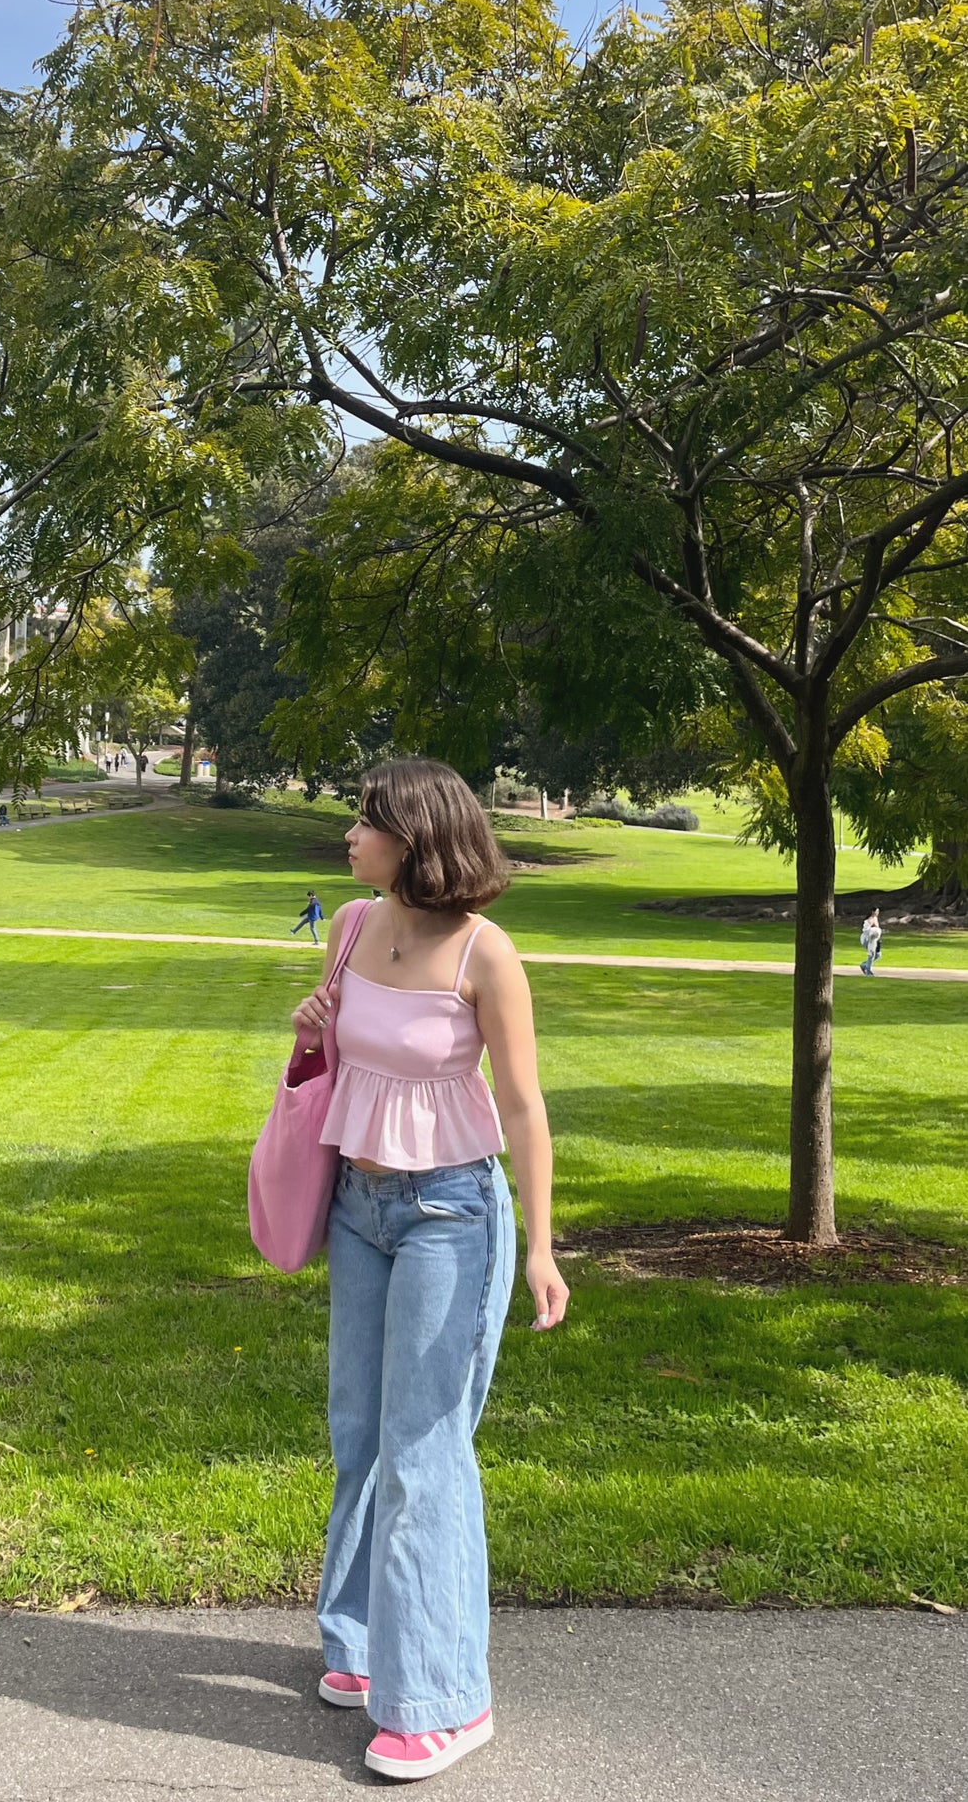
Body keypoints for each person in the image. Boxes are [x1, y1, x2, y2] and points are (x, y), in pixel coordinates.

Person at [287, 756, 567, 1784]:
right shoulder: (354, 925)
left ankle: (446, 1696)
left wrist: (538, 1246)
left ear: (413, 838)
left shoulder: (485, 955)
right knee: (357, 1429)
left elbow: (524, 1106)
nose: (348, 837)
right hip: (360, 1207)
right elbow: (335, 1047)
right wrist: (312, 1031)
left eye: (363, 823)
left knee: (422, 1448)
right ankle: (361, 1643)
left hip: (452, 1211)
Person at [860, 907, 883, 975]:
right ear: (873, 912)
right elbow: (866, 930)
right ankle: (868, 971)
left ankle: (864, 965)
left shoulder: (875, 918)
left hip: (875, 939)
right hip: (868, 939)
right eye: (877, 911)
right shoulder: (870, 919)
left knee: (878, 954)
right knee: (872, 954)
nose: (878, 913)